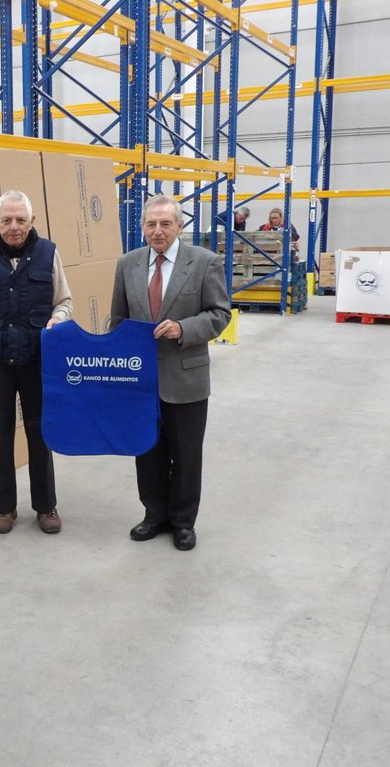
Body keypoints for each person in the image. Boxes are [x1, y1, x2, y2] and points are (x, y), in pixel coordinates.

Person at [108, 194, 231, 551]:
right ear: (142, 228)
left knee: (187, 454)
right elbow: (118, 319)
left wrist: (183, 328)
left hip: (186, 377)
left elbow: (220, 313)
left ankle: (183, 522)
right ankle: (154, 514)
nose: (158, 230)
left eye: (165, 224)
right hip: (141, 381)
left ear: (179, 225)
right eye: (151, 224)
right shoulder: (127, 264)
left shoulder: (205, 262)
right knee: (148, 452)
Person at [0, 189, 72, 535]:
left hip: (37, 361)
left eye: (21, 219)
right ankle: (5, 508)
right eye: (6, 219)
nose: (14, 226)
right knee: (0, 435)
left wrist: (59, 319)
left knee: (40, 434)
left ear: (32, 220)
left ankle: (46, 506)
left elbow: (64, 301)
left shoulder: (48, 253)